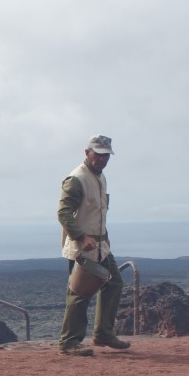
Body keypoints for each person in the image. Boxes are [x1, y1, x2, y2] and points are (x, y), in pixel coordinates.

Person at [57, 135, 130, 356]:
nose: (101, 159)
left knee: (114, 282)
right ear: (86, 152)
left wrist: (104, 236)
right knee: (79, 293)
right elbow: (63, 212)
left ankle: (103, 334)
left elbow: (98, 211)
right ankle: (69, 342)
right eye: (97, 154)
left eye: (105, 155)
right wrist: (80, 237)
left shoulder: (100, 177)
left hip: (100, 245)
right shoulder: (77, 178)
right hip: (83, 246)